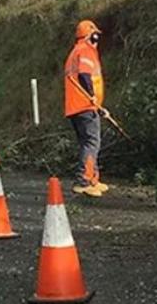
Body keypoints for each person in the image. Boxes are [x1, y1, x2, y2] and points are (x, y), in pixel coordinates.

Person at [64, 20, 108, 197]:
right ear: (92, 36)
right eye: (96, 35)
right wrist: (92, 96)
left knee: (87, 143)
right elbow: (84, 74)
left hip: (78, 106)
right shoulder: (86, 51)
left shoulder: (75, 51)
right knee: (91, 142)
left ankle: (92, 180)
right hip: (85, 105)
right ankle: (83, 181)